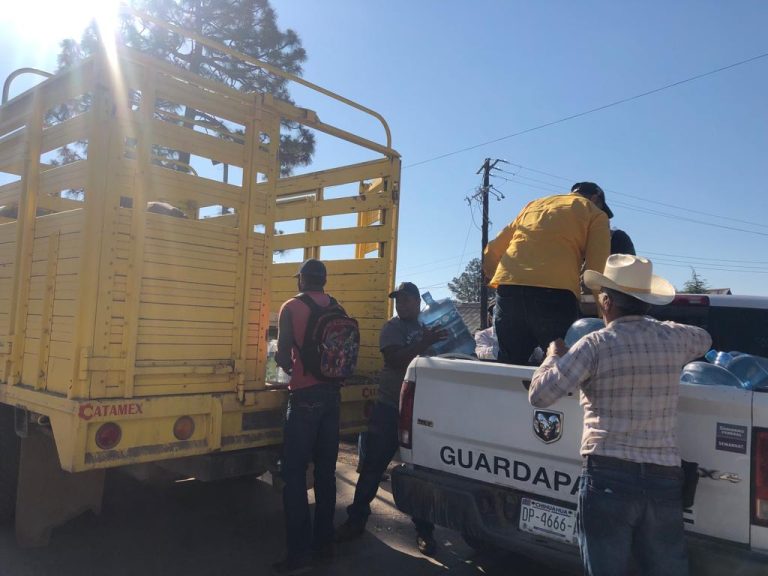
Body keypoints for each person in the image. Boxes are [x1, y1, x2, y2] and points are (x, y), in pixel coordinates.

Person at [528, 254, 712, 576]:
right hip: (664, 477)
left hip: (608, 474)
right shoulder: (673, 338)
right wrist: (661, 327)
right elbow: (705, 339)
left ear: (608, 301)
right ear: (646, 301)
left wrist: (552, 357)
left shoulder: (594, 345)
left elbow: (541, 395)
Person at [335, 281, 446, 555]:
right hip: (389, 408)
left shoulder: (431, 325)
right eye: (398, 300)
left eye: (407, 299)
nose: (401, 304)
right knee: (373, 467)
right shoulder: (392, 328)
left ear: (418, 301)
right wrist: (425, 343)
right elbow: (396, 360)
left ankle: (425, 532)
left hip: (422, 414)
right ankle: (356, 520)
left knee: (420, 473)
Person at [483, 181, 611, 365]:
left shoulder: (534, 205)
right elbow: (596, 269)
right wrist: (604, 313)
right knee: (561, 366)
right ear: (596, 198)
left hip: (510, 289)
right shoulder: (595, 214)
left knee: (510, 364)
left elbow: (493, 249)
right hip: (555, 294)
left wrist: (493, 275)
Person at [273, 259, 342, 575]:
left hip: (304, 398)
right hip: (332, 397)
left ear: (302, 280)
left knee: (295, 474)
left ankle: (298, 553)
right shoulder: (337, 307)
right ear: (324, 281)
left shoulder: (291, 307)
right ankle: (325, 547)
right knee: (326, 473)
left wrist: (292, 368)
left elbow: (283, 354)